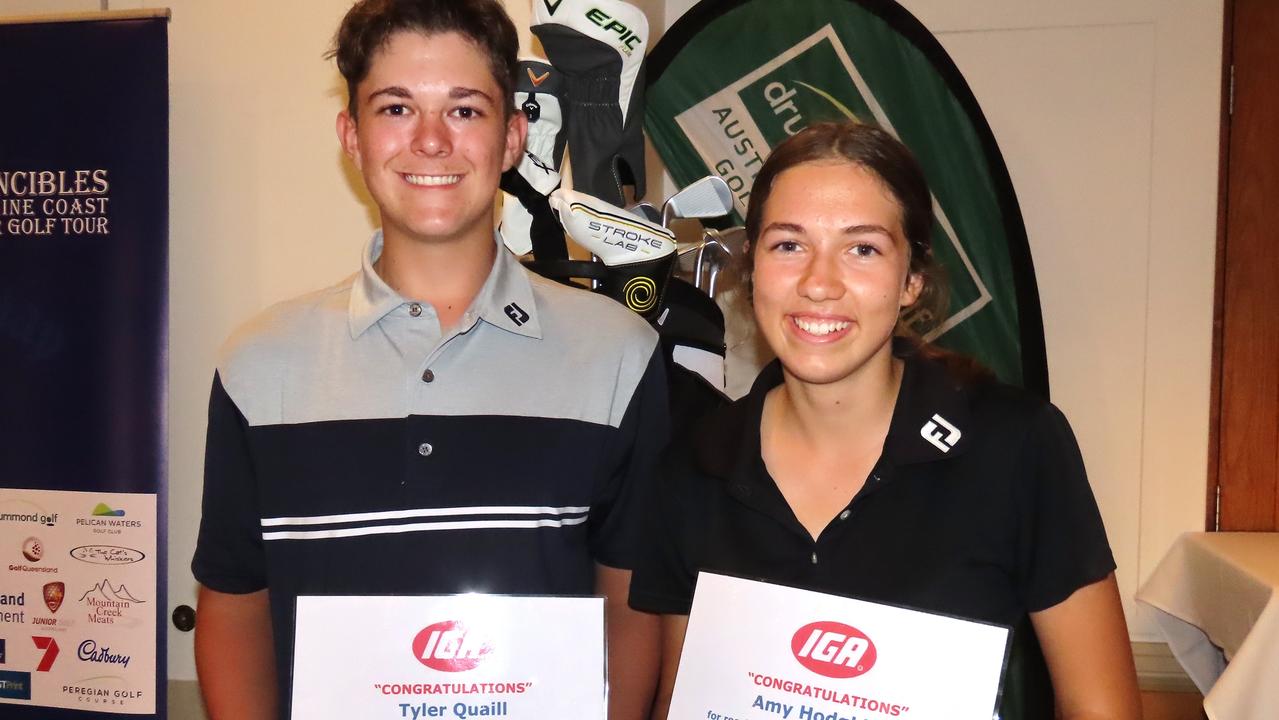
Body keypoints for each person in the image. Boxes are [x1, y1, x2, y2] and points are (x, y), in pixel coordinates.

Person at [190, 1, 665, 718]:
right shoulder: (259, 365)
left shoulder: (618, 357)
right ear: (352, 136)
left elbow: (628, 600)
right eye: (396, 108)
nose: (432, 142)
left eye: (466, 111)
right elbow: (233, 603)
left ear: (512, 137)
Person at [629, 122, 1141, 720]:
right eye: (789, 245)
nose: (819, 284)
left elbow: (1102, 706)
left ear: (911, 282)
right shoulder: (693, 465)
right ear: (753, 271)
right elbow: (682, 700)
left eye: (862, 249)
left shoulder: (1017, 446)